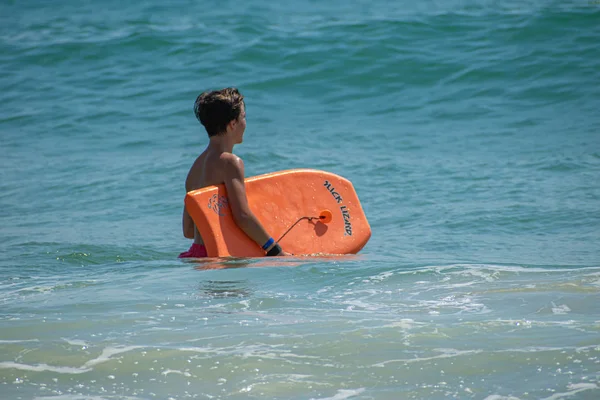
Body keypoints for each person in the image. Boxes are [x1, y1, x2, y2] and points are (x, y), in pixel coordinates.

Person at [179, 87, 290, 258]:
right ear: (232, 124)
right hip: (219, 255)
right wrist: (274, 250)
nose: (245, 123)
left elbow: (188, 230)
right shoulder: (230, 163)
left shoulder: (195, 168)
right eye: (243, 117)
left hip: (198, 254)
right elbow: (243, 216)